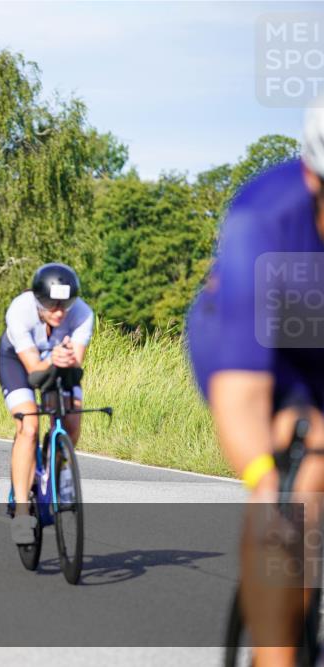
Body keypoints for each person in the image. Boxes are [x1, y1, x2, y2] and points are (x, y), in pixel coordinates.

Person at [186, 99, 324, 666]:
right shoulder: (264, 225)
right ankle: (276, 653)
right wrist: (267, 485)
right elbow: (242, 394)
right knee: (298, 489)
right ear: (314, 177)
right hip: (262, 350)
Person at [0, 263, 94, 545]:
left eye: (66, 304)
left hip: (57, 366)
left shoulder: (83, 314)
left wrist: (64, 363)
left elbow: (75, 367)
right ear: (38, 300)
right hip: (19, 364)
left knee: (71, 419)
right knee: (29, 425)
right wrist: (54, 360)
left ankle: (57, 468)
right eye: (52, 304)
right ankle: (22, 514)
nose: (60, 311)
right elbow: (35, 371)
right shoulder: (20, 311)